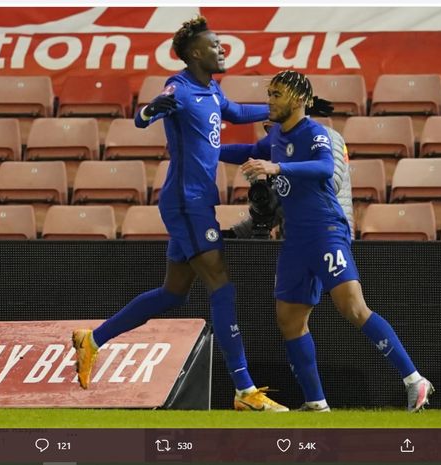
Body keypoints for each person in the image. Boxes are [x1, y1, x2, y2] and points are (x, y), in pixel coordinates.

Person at [70, 16, 290, 412]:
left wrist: (276, 110)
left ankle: (93, 339)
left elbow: (237, 111)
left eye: (221, 43)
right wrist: (149, 111)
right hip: (186, 202)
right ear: (193, 53)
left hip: (196, 202)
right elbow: (145, 116)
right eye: (214, 45)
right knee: (221, 286)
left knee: (173, 293)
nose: (222, 49)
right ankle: (245, 391)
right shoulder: (181, 88)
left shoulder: (212, 90)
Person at [219, 70, 434, 412]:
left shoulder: (314, 133)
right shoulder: (274, 138)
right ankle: (316, 402)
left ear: (299, 100)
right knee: (290, 320)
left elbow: (323, 168)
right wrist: (208, 149)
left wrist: (277, 169)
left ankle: (414, 380)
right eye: (269, 93)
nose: (269, 101)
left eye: (276, 94)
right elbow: (245, 150)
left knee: (352, 306)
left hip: (325, 231)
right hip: (295, 241)